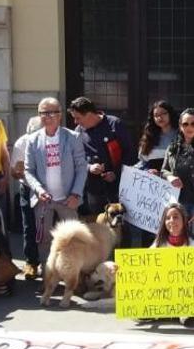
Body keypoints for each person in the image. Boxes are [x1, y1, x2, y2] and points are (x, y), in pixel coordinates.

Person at [25, 97, 88, 267]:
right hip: (43, 201)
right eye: (44, 112)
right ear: (39, 115)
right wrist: (38, 190)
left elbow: (82, 168)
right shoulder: (32, 140)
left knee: (73, 240)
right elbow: (28, 170)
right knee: (44, 241)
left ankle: (73, 276)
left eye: (53, 112)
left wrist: (76, 193)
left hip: (68, 199)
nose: (49, 116)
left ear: (60, 115)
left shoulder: (73, 137)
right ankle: (48, 278)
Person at [68, 97, 137, 220]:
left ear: (89, 114)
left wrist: (116, 173)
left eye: (78, 117)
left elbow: (130, 154)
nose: (75, 122)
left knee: (122, 224)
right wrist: (89, 167)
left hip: (119, 187)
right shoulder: (78, 131)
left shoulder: (114, 124)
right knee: (98, 223)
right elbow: (76, 158)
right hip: (94, 188)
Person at [161, 108, 194, 236]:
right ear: (180, 126)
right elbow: (164, 170)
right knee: (178, 236)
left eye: (193, 124)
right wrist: (170, 177)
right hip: (178, 201)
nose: (189, 127)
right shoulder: (173, 147)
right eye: (185, 124)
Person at [11, 116, 43, 280]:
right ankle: (31, 262)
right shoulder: (21, 143)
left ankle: (50, 263)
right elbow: (14, 172)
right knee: (29, 225)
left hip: (50, 188)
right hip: (29, 187)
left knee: (51, 227)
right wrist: (21, 171)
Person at [137, 100, 178, 174]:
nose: (159, 117)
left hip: (174, 179)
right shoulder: (148, 137)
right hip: (153, 181)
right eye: (156, 115)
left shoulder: (180, 135)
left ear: (170, 114)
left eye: (163, 113)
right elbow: (143, 162)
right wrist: (147, 170)